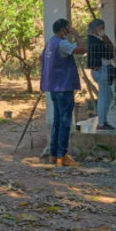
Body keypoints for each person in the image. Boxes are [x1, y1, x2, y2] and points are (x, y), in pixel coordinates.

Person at [40, 18, 87, 167]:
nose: (69, 30)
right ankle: (63, 155)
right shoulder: (63, 43)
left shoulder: (49, 44)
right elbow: (82, 49)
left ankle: (54, 155)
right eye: (68, 28)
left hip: (53, 87)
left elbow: (40, 58)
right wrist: (77, 35)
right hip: (64, 87)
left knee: (57, 121)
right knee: (65, 122)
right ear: (63, 30)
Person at [87, 19, 116, 131]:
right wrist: (108, 45)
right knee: (104, 98)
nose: (103, 30)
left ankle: (104, 120)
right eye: (102, 28)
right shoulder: (96, 41)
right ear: (96, 29)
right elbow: (109, 54)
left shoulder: (95, 40)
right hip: (101, 71)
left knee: (108, 96)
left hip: (100, 70)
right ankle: (101, 123)